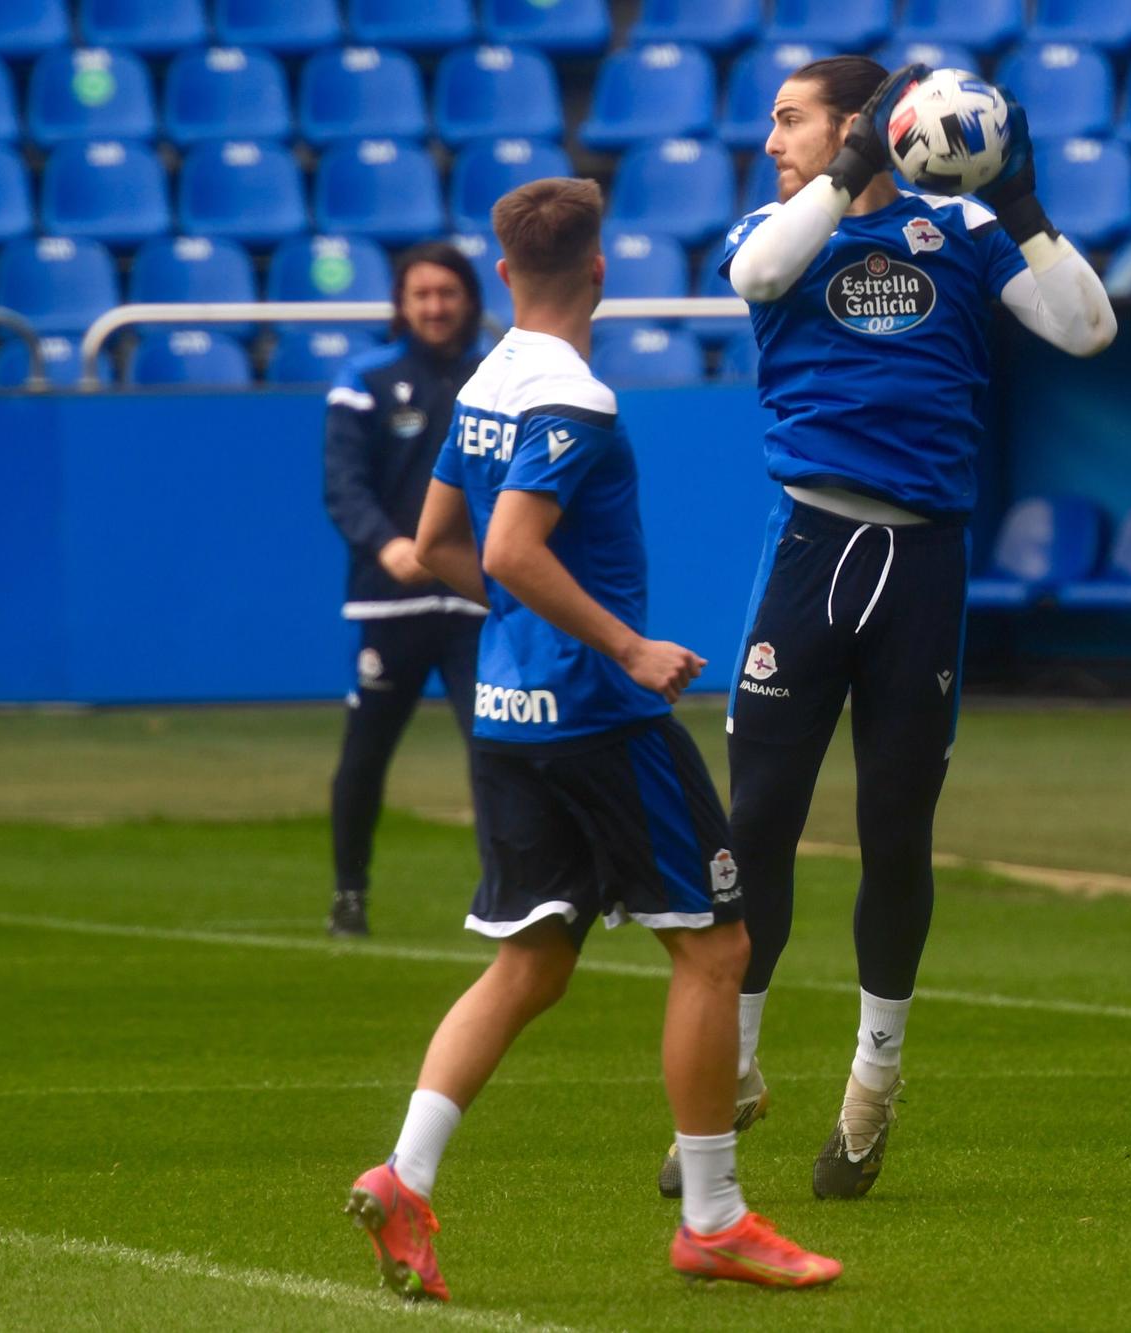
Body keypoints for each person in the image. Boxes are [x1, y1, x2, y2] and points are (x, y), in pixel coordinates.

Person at [343, 177, 841, 1302]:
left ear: (504, 274)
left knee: (532, 959)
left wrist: (529, 628)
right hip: (598, 717)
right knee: (714, 948)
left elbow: (434, 545)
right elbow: (514, 549)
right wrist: (623, 646)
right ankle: (711, 1218)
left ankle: (407, 1173)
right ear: (602, 272)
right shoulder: (573, 397)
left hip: (506, 715)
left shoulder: (484, 379)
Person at [655, 57, 1117, 1201]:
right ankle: (741, 1067)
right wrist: (853, 162)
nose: (771, 140)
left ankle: (871, 1088)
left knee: (894, 828)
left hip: (920, 563)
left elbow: (1087, 329)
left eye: (790, 119)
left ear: (856, 120)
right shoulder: (776, 229)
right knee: (754, 820)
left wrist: (1017, 198)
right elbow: (759, 272)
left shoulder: (959, 231)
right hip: (808, 551)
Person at [321, 243, 488, 937]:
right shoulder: (364, 378)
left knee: (495, 749)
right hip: (392, 600)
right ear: (401, 302)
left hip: (478, 600)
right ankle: (349, 892)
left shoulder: (498, 375)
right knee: (364, 754)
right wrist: (389, 545)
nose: (435, 306)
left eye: (447, 293)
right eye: (421, 294)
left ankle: (505, 893)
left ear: (469, 299)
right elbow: (343, 484)